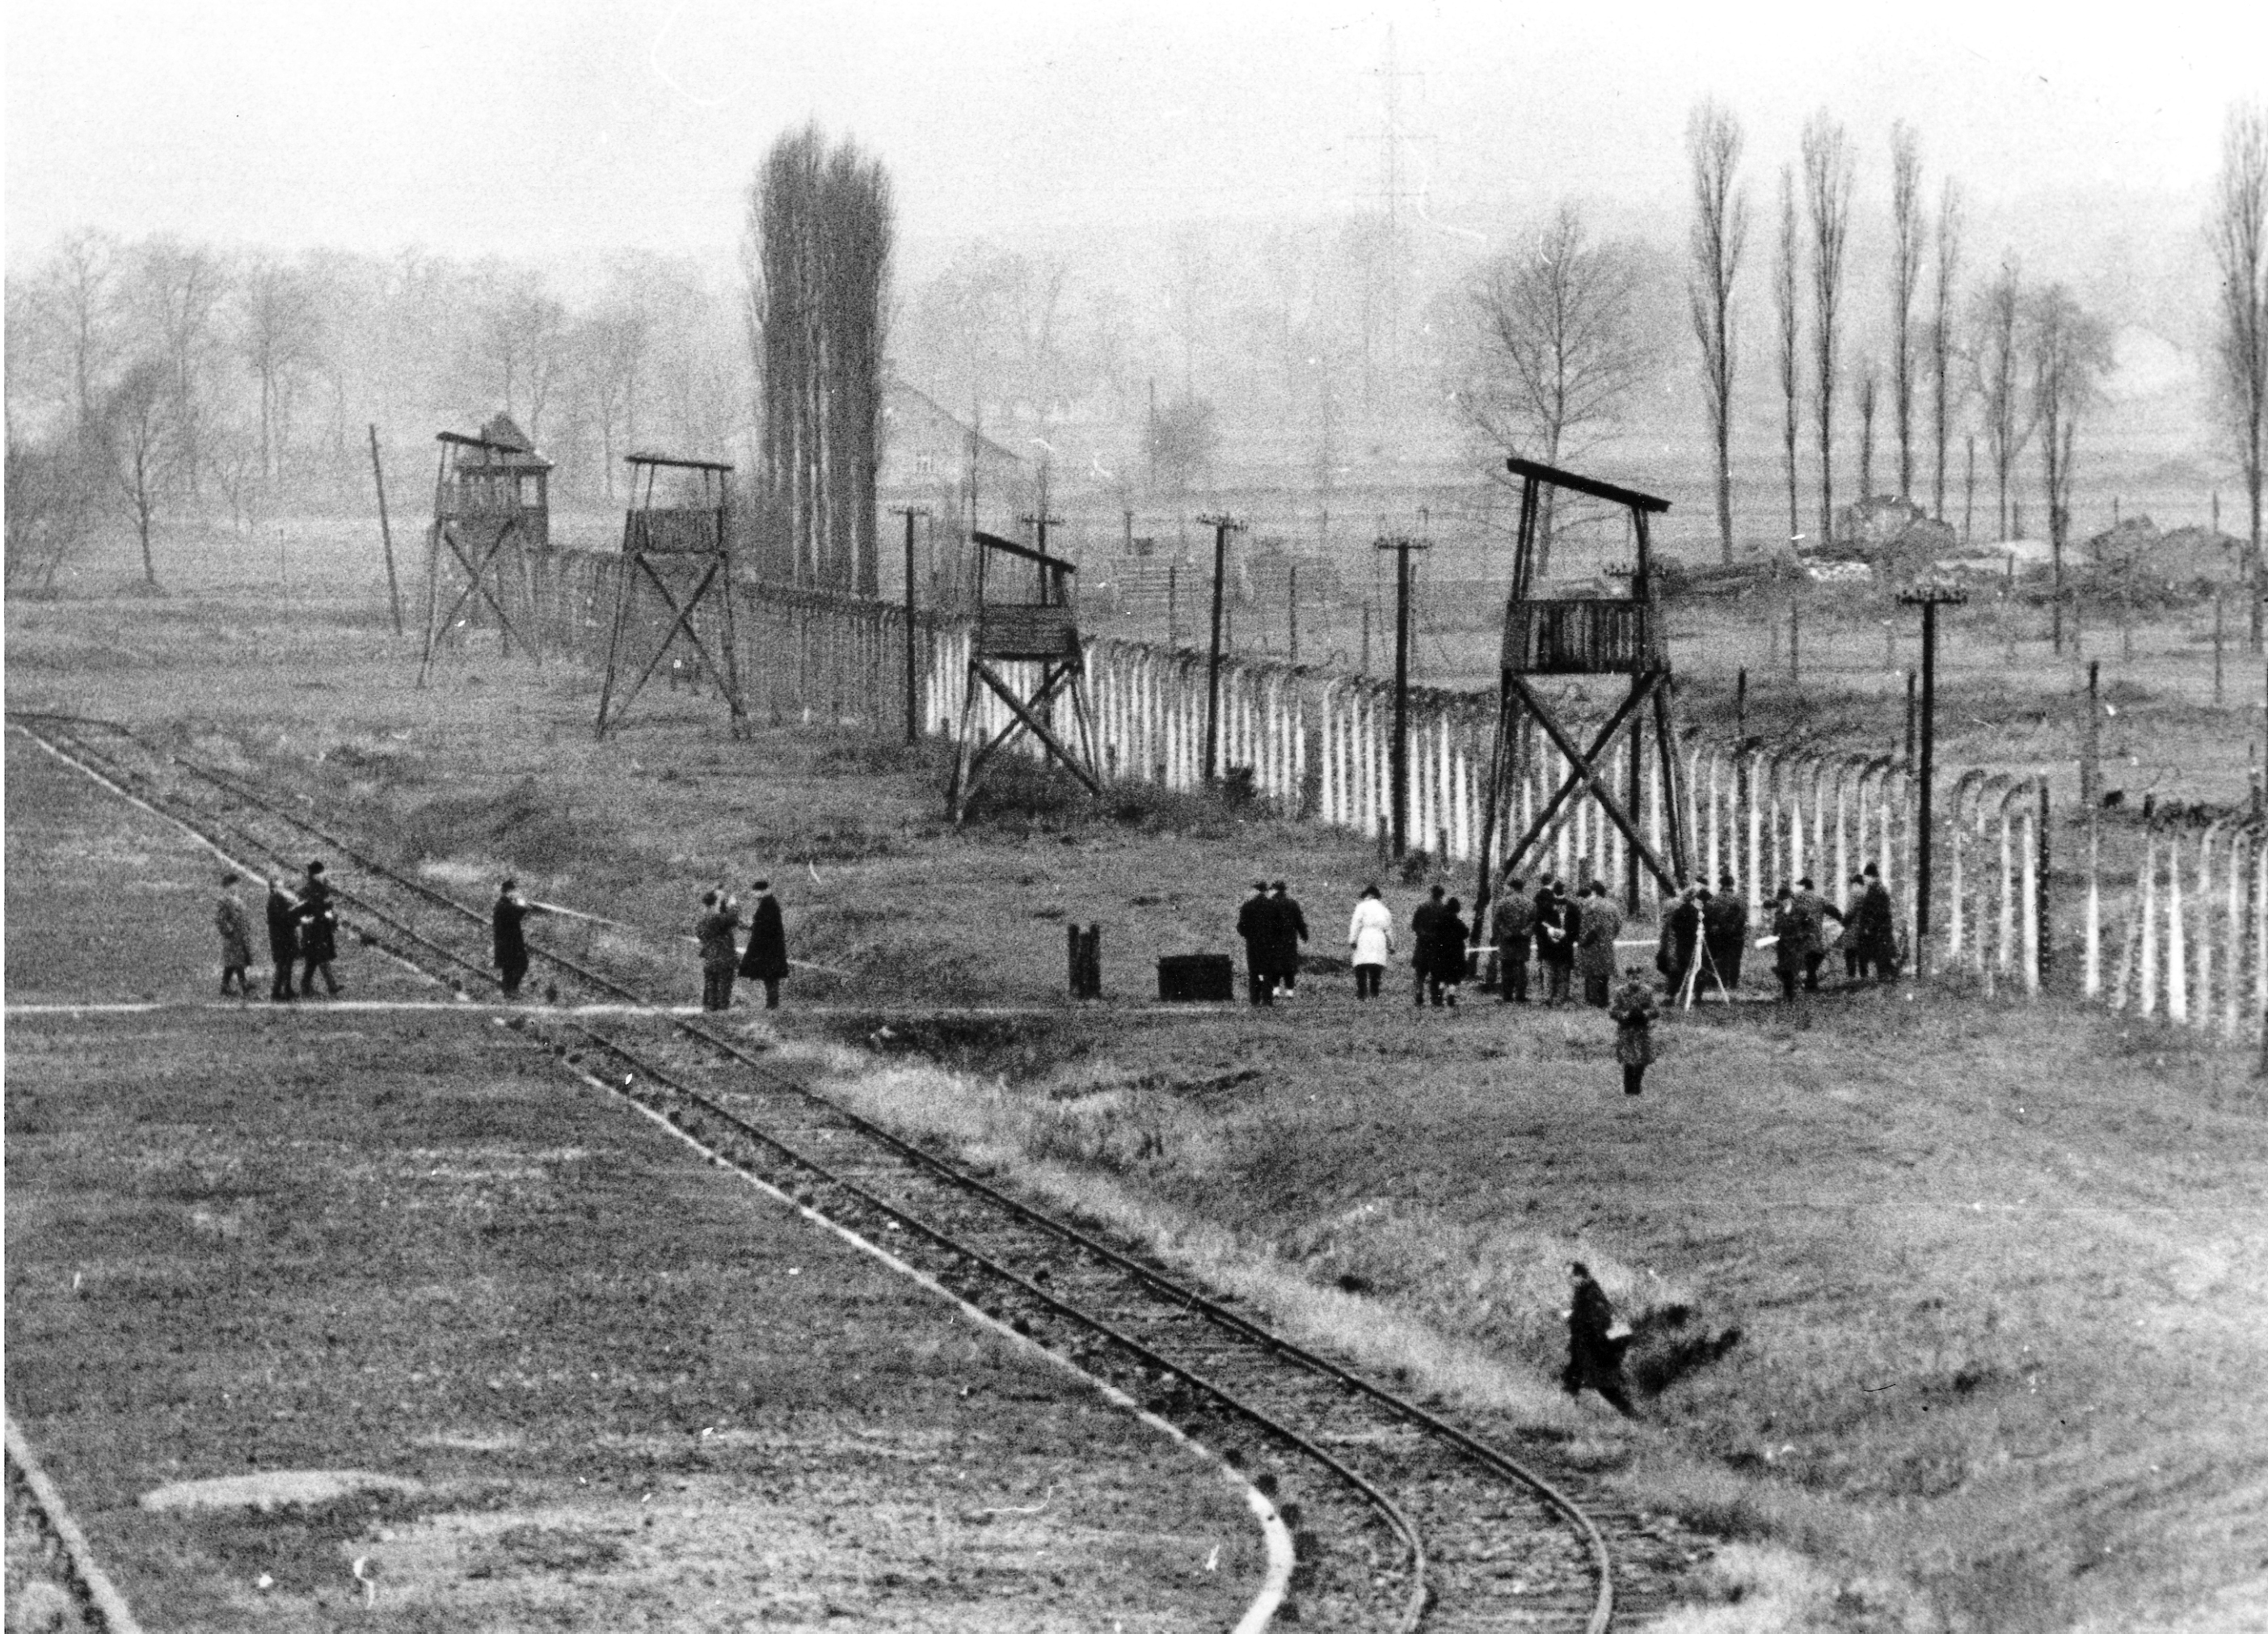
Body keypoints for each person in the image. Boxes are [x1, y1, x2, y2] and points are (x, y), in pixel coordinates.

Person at [1562, 1261, 1637, 1417]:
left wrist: (1573, 1318)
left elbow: (1597, 1321)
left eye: (1571, 1276)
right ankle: (1567, 1416)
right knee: (1571, 1380)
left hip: (1595, 1350)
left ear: (1581, 1275)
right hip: (1584, 1349)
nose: (1568, 1281)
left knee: (1607, 1388)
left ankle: (1635, 1417)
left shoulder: (1592, 1294)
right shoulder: (1583, 1292)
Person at [739, 879, 790, 1010]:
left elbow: (765, 927)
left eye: (756, 892)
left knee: (771, 977)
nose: (754, 895)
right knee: (770, 978)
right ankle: (772, 1004)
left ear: (763, 891)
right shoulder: (769, 904)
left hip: (769, 949)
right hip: (771, 948)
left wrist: (751, 926)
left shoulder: (768, 905)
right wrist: (751, 926)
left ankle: (772, 1005)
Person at [491, 878, 548, 998]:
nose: (517, 893)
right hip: (508, 942)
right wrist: (524, 906)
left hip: (509, 941)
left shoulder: (506, 903)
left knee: (510, 967)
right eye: (514, 891)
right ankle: (511, 989)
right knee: (520, 964)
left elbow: (519, 911)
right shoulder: (503, 905)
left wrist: (526, 906)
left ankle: (509, 991)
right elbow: (516, 913)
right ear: (508, 891)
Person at [1609, 965, 1659, 1096]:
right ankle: (1629, 1089)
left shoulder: (1647, 991)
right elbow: (1613, 1011)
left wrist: (1645, 1013)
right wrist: (1624, 1014)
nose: (1635, 981)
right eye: (1632, 978)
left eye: (1638, 978)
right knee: (1629, 1060)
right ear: (1627, 978)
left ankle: (1637, 1087)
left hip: (1642, 1030)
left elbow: (1655, 1010)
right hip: (1627, 1030)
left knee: (1642, 1060)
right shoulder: (1620, 992)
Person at [295, 861, 342, 998]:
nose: (323, 875)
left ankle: (306, 986)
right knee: (320, 957)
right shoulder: (310, 890)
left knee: (314, 959)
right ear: (315, 875)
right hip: (314, 929)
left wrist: (331, 915)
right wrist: (326, 914)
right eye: (321, 873)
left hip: (320, 928)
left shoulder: (319, 888)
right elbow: (312, 909)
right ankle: (331, 987)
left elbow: (327, 904)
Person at [1790, 876, 1844, 992]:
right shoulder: (1819, 899)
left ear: (1804, 887)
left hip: (1799, 936)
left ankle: (1803, 984)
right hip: (1815, 936)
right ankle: (1810, 984)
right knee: (1813, 960)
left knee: (1800, 962)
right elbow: (1834, 911)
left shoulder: (1796, 898)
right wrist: (1843, 921)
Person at [1575, 881, 1624, 1008]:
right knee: (1604, 972)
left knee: (1590, 971)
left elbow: (1583, 925)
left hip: (1591, 943)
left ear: (1594, 892)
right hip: (1606, 943)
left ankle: (1591, 998)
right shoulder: (1612, 906)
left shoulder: (1589, 905)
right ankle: (1603, 999)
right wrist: (1610, 937)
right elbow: (1618, 924)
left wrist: (1583, 940)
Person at [1850, 862, 1901, 980]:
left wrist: (1868, 925)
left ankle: (1888, 977)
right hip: (1881, 928)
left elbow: (1874, 911)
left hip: (1878, 929)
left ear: (1870, 876)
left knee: (1880, 955)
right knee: (1881, 954)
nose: (1865, 880)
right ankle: (1889, 975)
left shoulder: (1875, 890)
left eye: (1866, 877)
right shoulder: (1878, 888)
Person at [1491, 874, 1534, 1003]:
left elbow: (1497, 921)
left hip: (1507, 939)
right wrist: (1524, 932)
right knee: (1521, 966)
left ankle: (1507, 995)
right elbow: (1534, 922)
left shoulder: (1502, 902)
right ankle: (1521, 995)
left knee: (1507, 966)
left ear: (1512, 887)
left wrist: (1505, 932)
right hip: (1523, 939)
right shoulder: (1530, 903)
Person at [1702, 873, 1748, 992]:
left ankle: (1722, 982)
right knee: (1735, 959)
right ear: (1732, 884)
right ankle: (1733, 983)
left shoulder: (1713, 900)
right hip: (1737, 934)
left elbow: (1708, 918)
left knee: (1720, 958)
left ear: (1720, 884)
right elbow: (1744, 917)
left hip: (1719, 935)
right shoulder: (1741, 899)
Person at [698, 889, 742, 1011]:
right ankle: (721, 1014)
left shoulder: (705, 917)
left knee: (711, 990)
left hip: (710, 960)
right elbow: (732, 919)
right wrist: (733, 904)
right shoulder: (716, 918)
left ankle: (710, 1013)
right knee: (723, 991)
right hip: (723, 960)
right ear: (715, 902)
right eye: (721, 900)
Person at [1535, 878, 1577, 1006]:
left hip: (1548, 946)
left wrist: (1549, 933)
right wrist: (1567, 936)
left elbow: (1537, 925)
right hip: (1565, 946)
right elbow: (1577, 927)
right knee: (1563, 974)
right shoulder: (1572, 906)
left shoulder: (1544, 906)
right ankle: (1560, 998)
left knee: (1548, 973)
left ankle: (1548, 997)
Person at [1347, 885, 1393, 1000]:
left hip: (1365, 936)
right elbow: (1388, 929)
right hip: (1379, 938)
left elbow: (1356, 923)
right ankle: (1374, 993)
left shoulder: (1361, 907)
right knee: (1376, 967)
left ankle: (1362, 993)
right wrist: (1391, 944)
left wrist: (1353, 939)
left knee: (1361, 966)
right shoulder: (1384, 909)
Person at [1236, 881, 1276, 1007]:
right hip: (1270, 944)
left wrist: (1249, 936)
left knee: (1254, 972)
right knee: (1268, 972)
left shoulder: (1248, 906)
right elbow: (1279, 926)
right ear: (1265, 891)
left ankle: (1255, 999)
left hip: (1253, 944)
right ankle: (1267, 999)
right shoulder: (1273, 906)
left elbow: (1241, 927)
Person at [214, 872, 255, 998]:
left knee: (233, 963)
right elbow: (219, 919)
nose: (237, 887)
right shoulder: (224, 900)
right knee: (238, 961)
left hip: (240, 936)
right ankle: (244, 986)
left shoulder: (236, 899)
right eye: (235, 885)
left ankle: (225, 987)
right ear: (228, 886)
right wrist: (229, 930)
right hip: (232, 937)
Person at [1267, 880, 1309, 1000]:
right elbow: (1299, 922)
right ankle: (1290, 991)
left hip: (1273, 940)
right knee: (1289, 966)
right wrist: (1304, 935)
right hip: (1289, 940)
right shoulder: (1293, 904)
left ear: (1275, 890)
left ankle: (1275, 990)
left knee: (1274, 965)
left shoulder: (1270, 904)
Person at [1427, 896, 1470, 1007]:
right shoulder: (1458, 922)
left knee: (1442, 975)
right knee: (1453, 976)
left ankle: (1440, 992)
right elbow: (1465, 933)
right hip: (1456, 952)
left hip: (1441, 951)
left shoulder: (1440, 921)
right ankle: (1451, 995)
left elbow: (1433, 933)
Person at [1409, 885, 1446, 1007]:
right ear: (1442, 895)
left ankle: (1419, 994)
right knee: (1437, 974)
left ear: (1431, 893)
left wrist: (1423, 934)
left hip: (1423, 944)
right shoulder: (1444, 909)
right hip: (1438, 945)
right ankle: (1436, 998)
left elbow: (1414, 925)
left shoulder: (1422, 907)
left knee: (1420, 973)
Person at [265, 876, 300, 1002]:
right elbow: (283, 917)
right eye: (279, 887)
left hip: (285, 935)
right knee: (283, 963)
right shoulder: (275, 899)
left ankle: (287, 988)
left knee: (287, 962)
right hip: (281, 936)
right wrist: (295, 909)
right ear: (274, 888)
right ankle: (276, 991)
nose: (282, 889)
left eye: (282, 886)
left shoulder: (279, 898)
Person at [1770, 884, 1805, 1001]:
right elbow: (1806, 920)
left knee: (1785, 968)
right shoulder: (1798, 905)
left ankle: (1788, 994)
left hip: (1786, 940)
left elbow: (1780, 922)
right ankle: (1791, 992)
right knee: (1792, 966)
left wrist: (1774, 934)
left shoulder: (1784, 904)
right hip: (1797, 940)